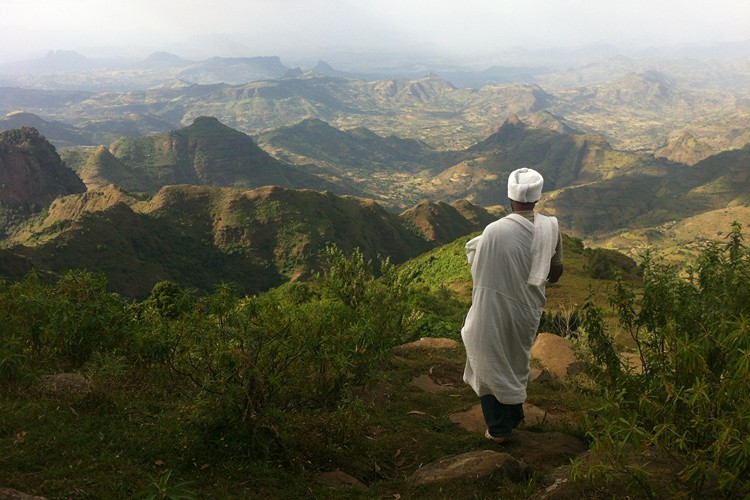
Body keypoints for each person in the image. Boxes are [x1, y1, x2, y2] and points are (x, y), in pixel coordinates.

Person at [461, 167, 563, 443]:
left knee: (489, 359)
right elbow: (555, 274)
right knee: (516, 360)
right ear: (537, 198)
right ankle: (514, 417)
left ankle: (499, 430)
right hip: (527, 311)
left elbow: (480, 267)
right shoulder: (550, 229)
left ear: (510, 197)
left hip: (493, 308)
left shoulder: (494, 231)